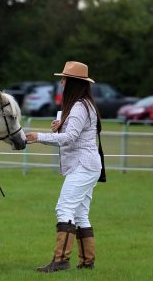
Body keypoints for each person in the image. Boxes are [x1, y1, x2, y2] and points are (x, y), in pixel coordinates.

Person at [26, 61, 102, 272]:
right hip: (89, 165)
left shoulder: (79, 106)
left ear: (73, 82)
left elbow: (69, 138)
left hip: (83, 165)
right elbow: (69, 136)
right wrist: (53, 131)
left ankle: (60, 260)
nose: (61, 82)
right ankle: (87, 262)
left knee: (64, 208)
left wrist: (38, 136)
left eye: (64, 78)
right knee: (80, 214)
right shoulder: (84, 104)